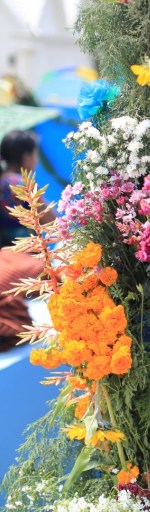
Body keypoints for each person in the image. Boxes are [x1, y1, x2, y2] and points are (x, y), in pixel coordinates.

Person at [0, 130, 51, 350]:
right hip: (25, 262)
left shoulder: (3, 180)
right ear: (26, 156)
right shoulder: (22, 184)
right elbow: (53, 222)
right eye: (35, 153)